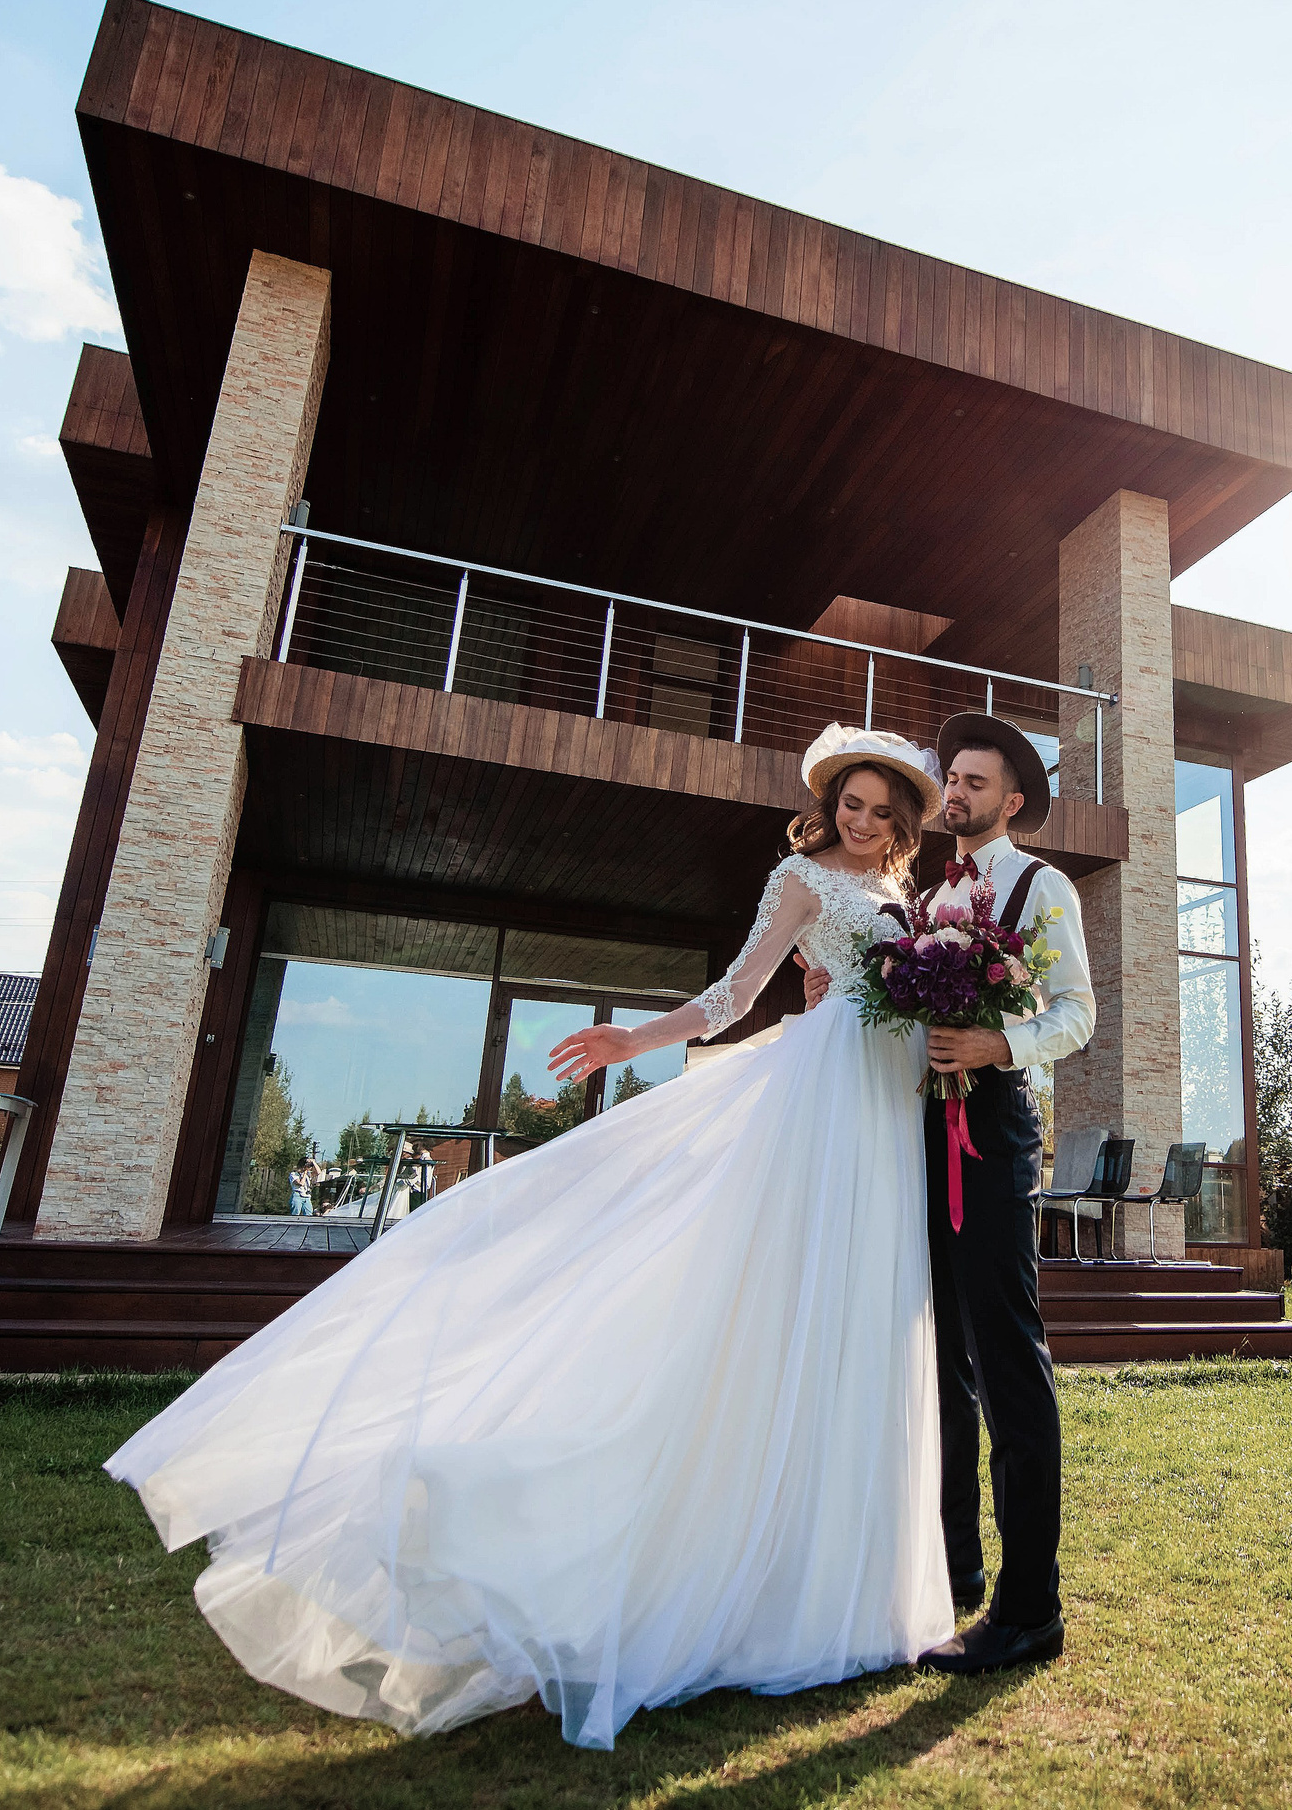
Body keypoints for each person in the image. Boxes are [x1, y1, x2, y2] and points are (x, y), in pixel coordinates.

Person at [104, 726, 956, 1749]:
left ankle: (846, 1588)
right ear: (832, 807)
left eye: (878, 810)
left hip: (888, 1112)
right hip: (822, 1110)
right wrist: (632, 1038)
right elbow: (734, 994)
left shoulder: (917, 902)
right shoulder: (801, 879)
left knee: (858, 1325)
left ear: (904, 820)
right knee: (782, 1312)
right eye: (849, 805)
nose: (861, 822)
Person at [802, 711, 1094, 1673]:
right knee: (940, 1359)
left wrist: (999, 1043)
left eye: (974, 782)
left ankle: (1030, 1607)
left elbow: (1078, 1010)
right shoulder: (931, 894)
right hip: (921, 1124)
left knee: (1006, 1355)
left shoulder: (1039, 886)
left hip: (997, 1128)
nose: (956, 791)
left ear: (1011, 801)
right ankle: (958, 1569)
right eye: (952, 778)